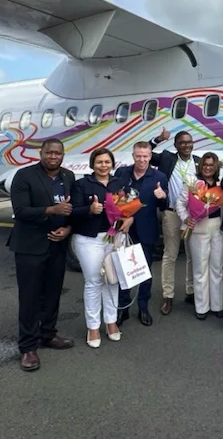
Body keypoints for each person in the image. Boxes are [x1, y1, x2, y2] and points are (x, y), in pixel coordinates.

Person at [7, 138, 76, 372]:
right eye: (49, 153)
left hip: (57, 246)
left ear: (63, 155)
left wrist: (67, 228)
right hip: (30, 247)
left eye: (58, 153)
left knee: (52, 294)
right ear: (41, 153)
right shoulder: (24, 176)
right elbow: (21, 211)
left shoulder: (68, 177)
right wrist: (51, 210)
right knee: (30, 298)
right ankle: (27, 347)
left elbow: (71, 211)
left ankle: (47, 334)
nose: (54, 157)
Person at [70, 147, 133, 348]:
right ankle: (93, 326)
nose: (103, 165)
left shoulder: (119, 183)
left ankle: (111, 321)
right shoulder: (81, 185)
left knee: (112, 280)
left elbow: (129, 206)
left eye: (107, 162)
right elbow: (72, 211)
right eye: (99, 162)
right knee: (94, 281)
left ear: (112, 164)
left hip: (115, 237)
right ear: (92, 164)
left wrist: (130, 218)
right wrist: (90, 209)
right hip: (89, 239)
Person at [113, 141, 168, 327]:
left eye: (145, 156)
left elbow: (162, 207)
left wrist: (163, 197)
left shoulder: (159, 176)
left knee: (144, 271)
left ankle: (143, 306)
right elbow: (115, 199)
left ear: (151, 156)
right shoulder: (122, 173)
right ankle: (123, 308)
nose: (142, 159)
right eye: (138, 156)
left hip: (146, 230)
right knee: (122, 270)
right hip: (123, 229)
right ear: (133, 156)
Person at [148, 129, 200, 315]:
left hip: (192, 216)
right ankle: (168, 296)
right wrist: (158, 139)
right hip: (171, 214)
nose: (186, 145)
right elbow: (146, 151)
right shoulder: (167, 159)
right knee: (170, 255)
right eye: (182, 142)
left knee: (192, 254)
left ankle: (191, 291)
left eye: (189, 142)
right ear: (176, 145)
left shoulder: (198, 163)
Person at [176, 152, 223, 319]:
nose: (208, 168)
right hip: (198, 228)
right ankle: (201, 307)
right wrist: (186, 218)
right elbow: (180, 203)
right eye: (205, 164)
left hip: (217, 227)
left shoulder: (220, 183)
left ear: (216, 167)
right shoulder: (193, 183)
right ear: (200, 165)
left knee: (216, 267)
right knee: (200, 269)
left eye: (211, 165)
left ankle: (217, 305)